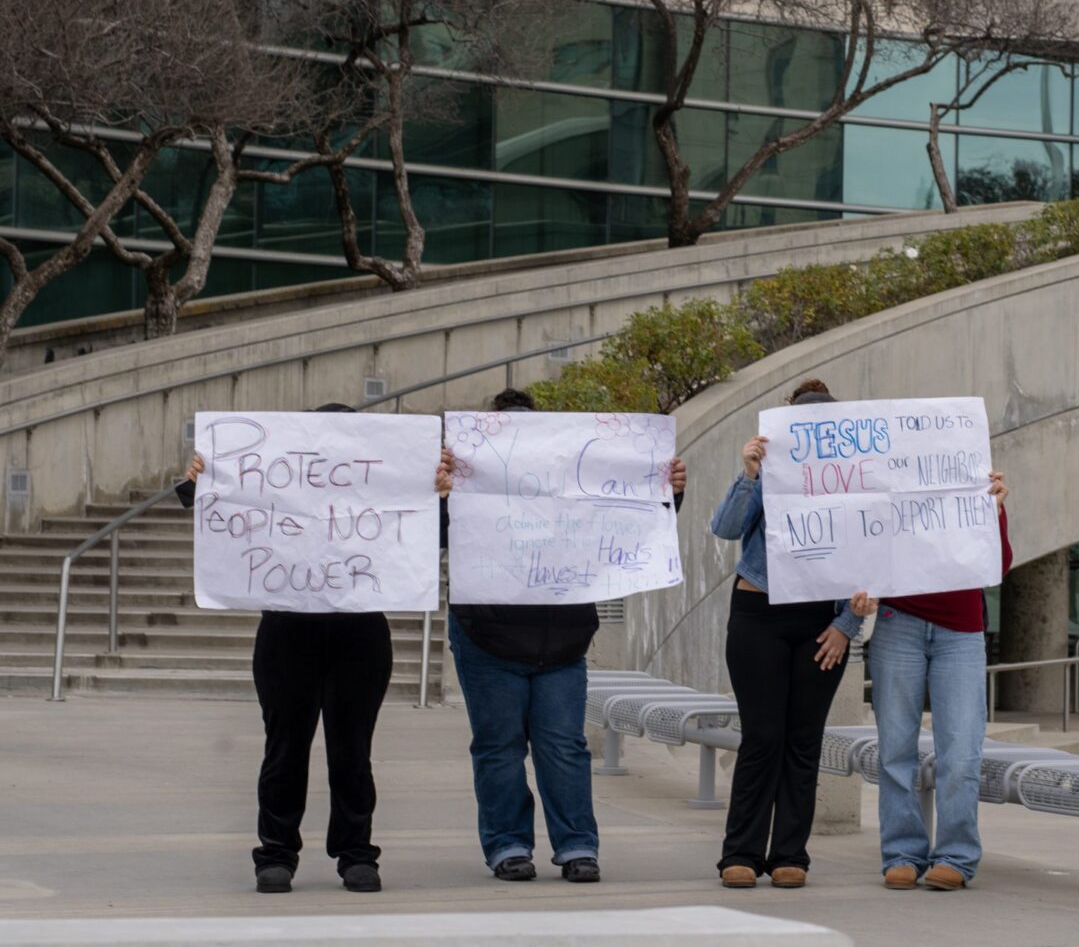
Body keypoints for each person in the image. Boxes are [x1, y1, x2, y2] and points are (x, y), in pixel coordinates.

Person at [435, 388, 687, 884]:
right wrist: (441, 494)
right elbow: (439, 537)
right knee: (499, 746)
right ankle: (508, 846)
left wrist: (669, 490)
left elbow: (631, 518)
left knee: (564, 747)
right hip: (486, 636)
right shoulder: (464, 482)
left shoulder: (574, 476)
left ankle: (576, 847)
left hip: (563, 641)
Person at [178, 402, 394, 895]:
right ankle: (275, 854)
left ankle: (357, 854)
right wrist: (200, 479)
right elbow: (214, 510)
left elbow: (431, 533)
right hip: (287, 633)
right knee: (284, 751)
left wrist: (439, 494)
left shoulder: (382, 482)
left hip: (358, 635)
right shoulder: (279, 477)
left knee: (352, 753)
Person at [709, 377, 877, 889]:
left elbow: (873, 553)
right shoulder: (768, 468)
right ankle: (739, 852)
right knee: (762, 737)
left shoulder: (858, 476)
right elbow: (726, 528)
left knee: (804, 740)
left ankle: (790, 856)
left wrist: (847, 626)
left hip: (821, 624)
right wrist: (751, 475)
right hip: (759, 611)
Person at [864, 469, 1011, 891]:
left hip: (961, 631)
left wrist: (996, 511)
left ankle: (956, 855)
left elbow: (997, 566)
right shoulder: (889, 490)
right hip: (898, 621)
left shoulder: (976, 489)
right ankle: (902, 853)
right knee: (895, 748)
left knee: (962, 749)